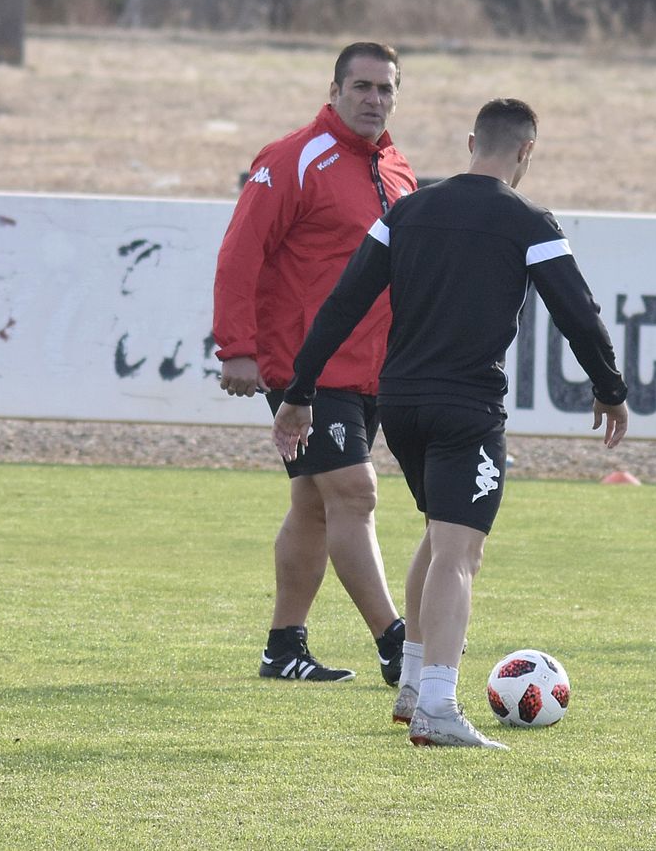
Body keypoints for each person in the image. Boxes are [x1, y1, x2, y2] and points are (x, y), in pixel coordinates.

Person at [273, 98, 628, 748]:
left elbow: (343, 303)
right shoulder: (526, 220)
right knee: (462, 552)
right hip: (467, 409)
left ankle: (411, 687)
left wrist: (299, 390)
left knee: (441, 541)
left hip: (401, 403)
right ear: (526, 151)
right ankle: (439, 701)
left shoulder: (407, 211)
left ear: (472, 142)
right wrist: (609, 388)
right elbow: (577, 309)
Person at [213, 43, 413, 683]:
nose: (373, 99)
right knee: (355, 492)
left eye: (385, 89)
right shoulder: (291, 158)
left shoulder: (398, 169)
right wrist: (237, 348)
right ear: (333, 91)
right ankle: (395, 641)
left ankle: (283, 647)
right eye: (361, 86)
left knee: (315, 502)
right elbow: (240, 254)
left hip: (371, 370)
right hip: (307, 369)